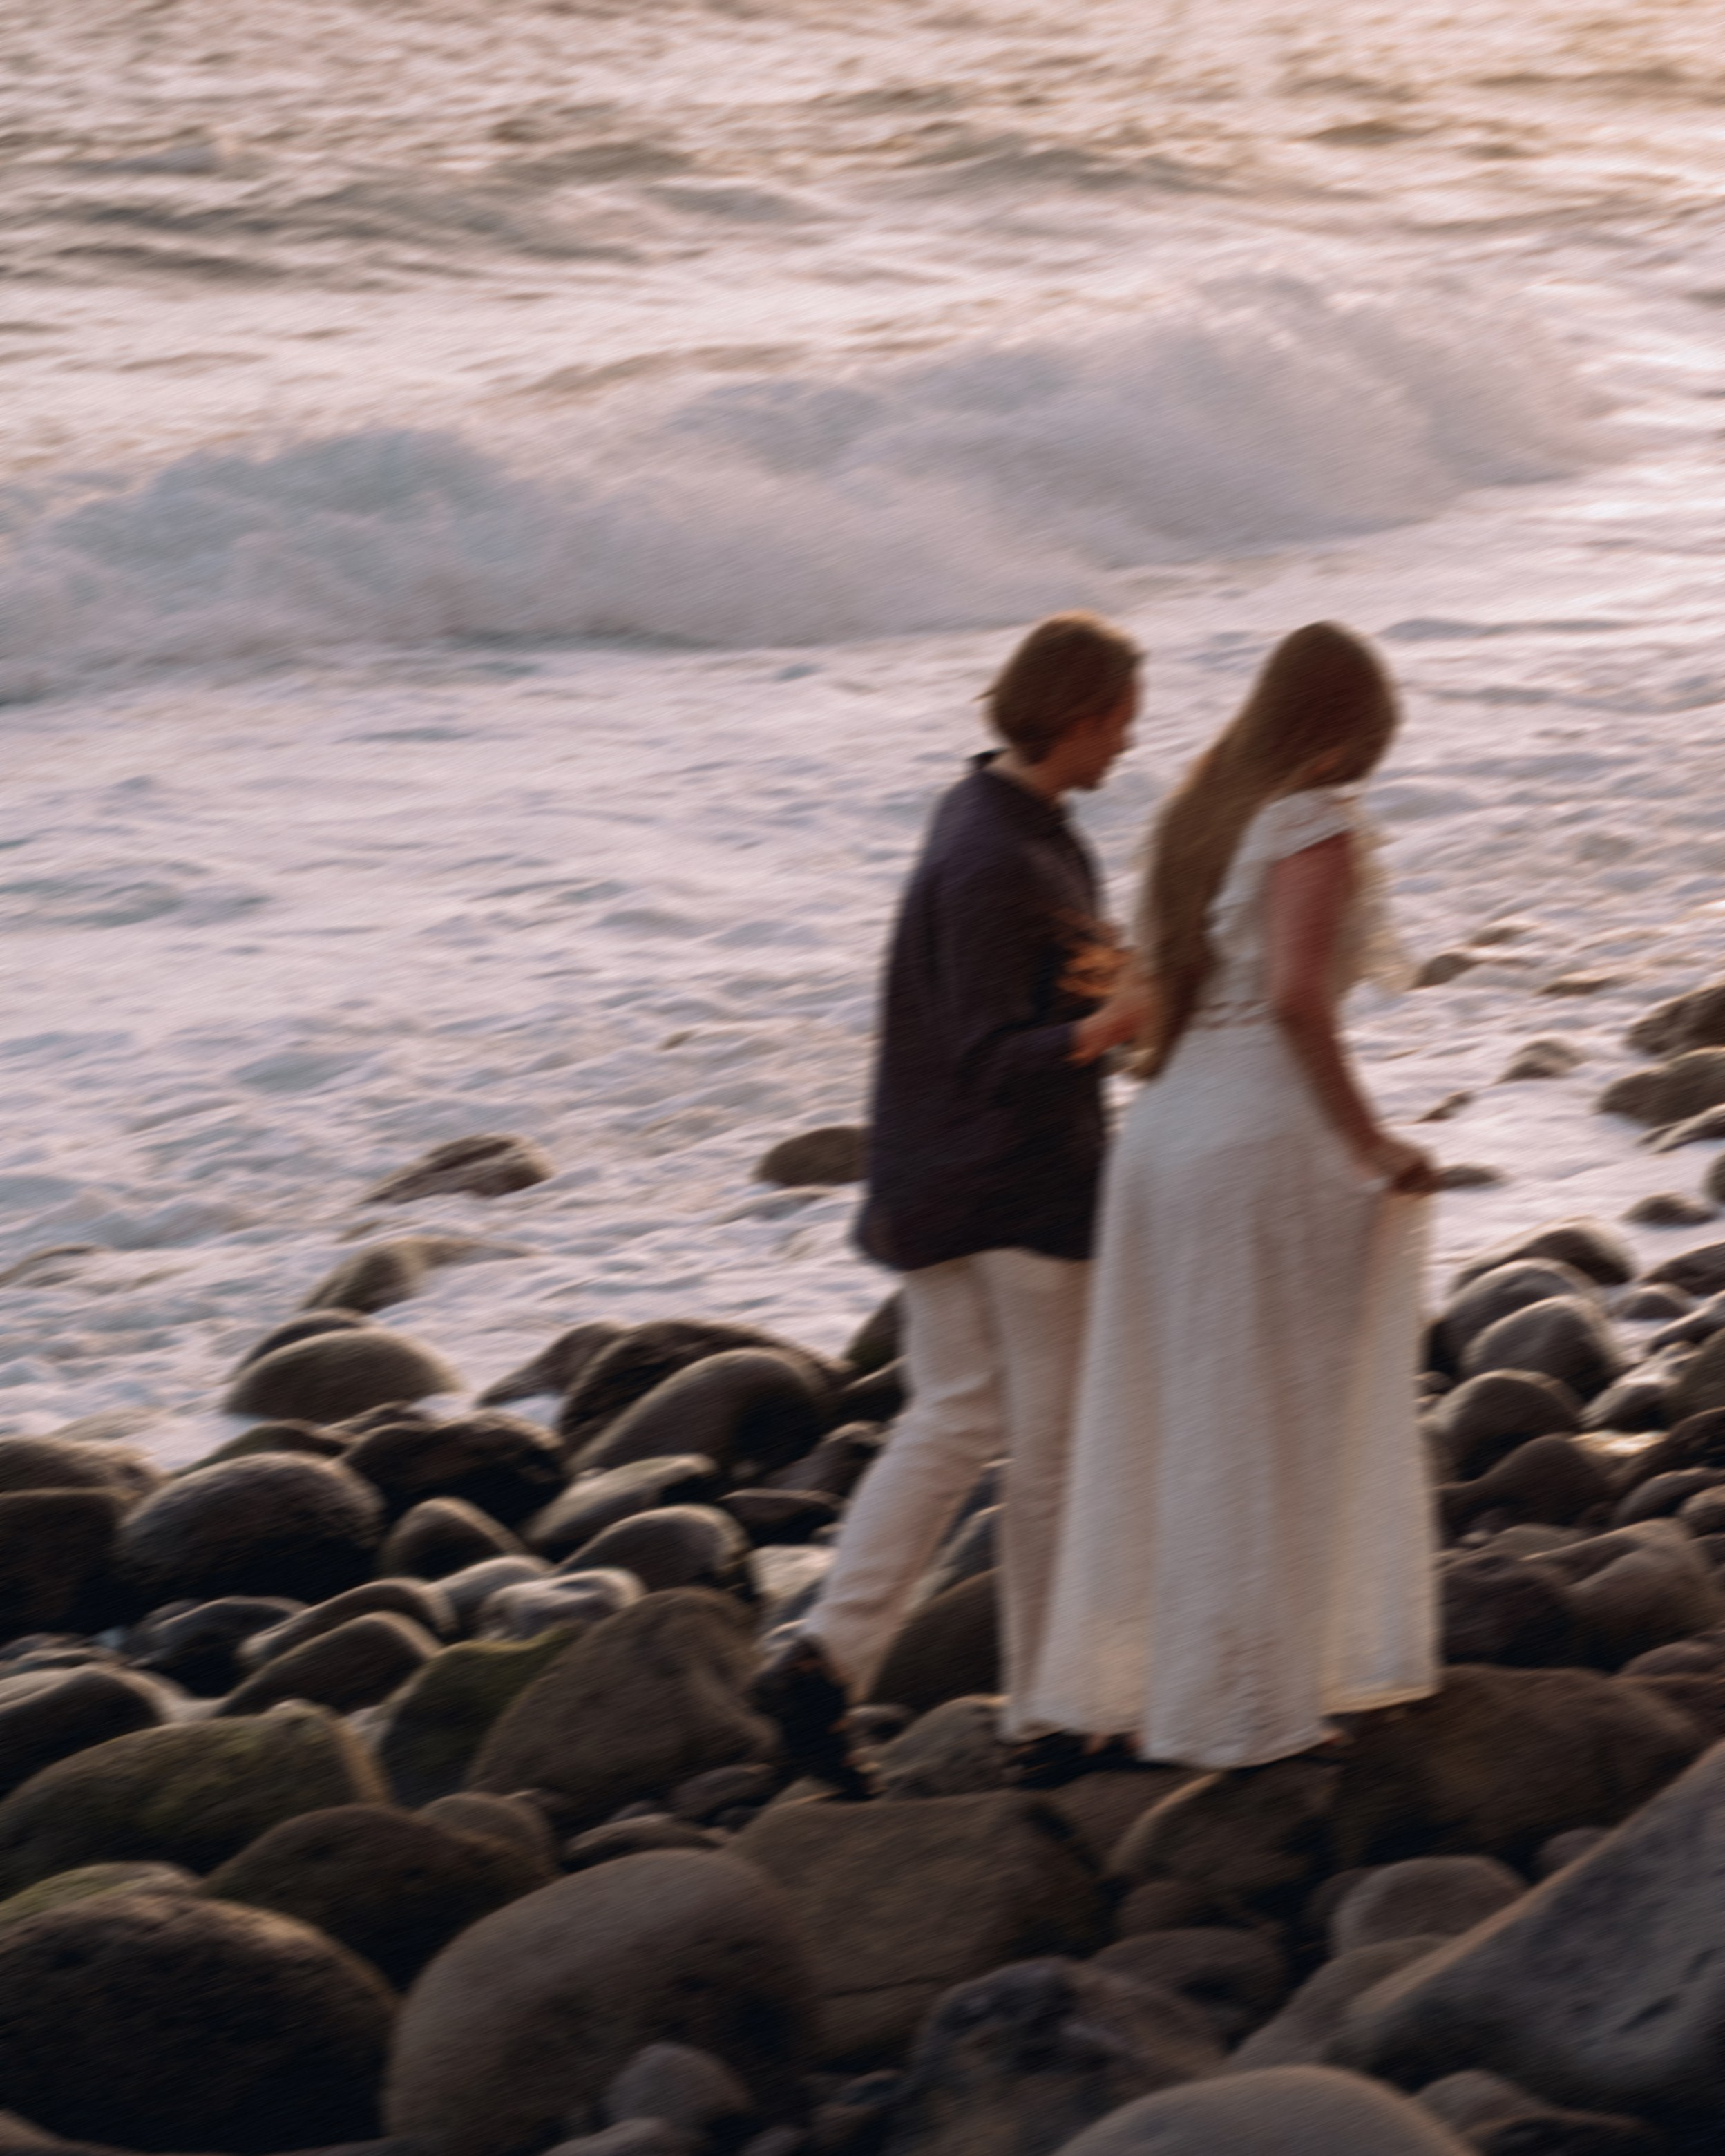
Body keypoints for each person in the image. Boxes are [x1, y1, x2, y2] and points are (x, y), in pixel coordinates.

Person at [1024, 621, 1439, 1771]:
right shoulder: (1310, 823)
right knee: (1271, 1408)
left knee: (1182, 1413)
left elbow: (1155, 1000)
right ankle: (1249, 1696)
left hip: (1162, 1138)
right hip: (1257, 1139)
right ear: (1340, 733)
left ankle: (1171, 1681)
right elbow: (1302, 1000)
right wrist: (1373, 1145)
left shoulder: (1197, 818)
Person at [754, 611, 1151, 1772]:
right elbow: (991, 1050)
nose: (1128, 745)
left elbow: (1018, 990)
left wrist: (1099, 994)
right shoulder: (998, 855)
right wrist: (1108, 1026)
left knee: (949, 1420)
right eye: (1121, 722)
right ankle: (1056, 1701)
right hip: (1016, 1196)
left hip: (936, 1182)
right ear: (1078, 719)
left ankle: (826, 1656)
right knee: (1050, 1448)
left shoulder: (988, 812)